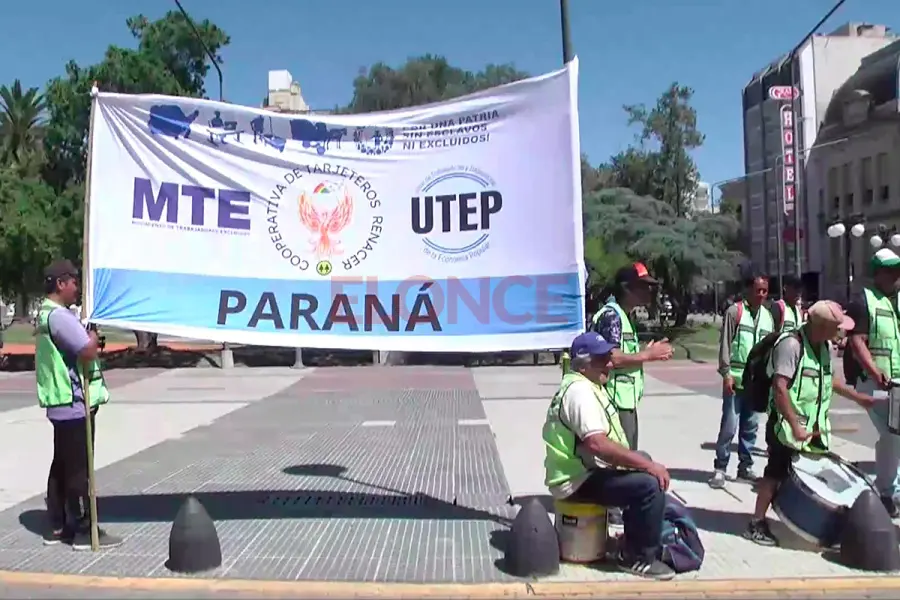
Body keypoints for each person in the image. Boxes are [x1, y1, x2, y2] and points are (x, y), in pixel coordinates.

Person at [543, 331, 675, 580]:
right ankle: (638, 558)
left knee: (643, 462)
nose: (610, 363)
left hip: (583, 471)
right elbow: (598, 445)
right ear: (584, 364)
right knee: (649, 485)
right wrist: (648, 466)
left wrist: (642, 462)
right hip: (576, 481)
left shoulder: (586, 385)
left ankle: (631, 539)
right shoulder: (579, 393)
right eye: (602, 359)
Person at [745, 300, 876, 545]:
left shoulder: (822, 345)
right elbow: (780, 388)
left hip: (813, 428)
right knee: (774, 472)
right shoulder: (791, 346)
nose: (841, 332)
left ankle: (798, 515)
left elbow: (830, 380)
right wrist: (795, 425)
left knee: (806, 473)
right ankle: (756, 523)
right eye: (837, 327)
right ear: (823, 326)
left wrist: (858, 398)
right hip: (785, 426)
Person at [37, 259, 122, 550]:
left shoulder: (48, 314)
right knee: (78, 468)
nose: (77, 287)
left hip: (61, 403)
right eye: (74, 281)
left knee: (62, 464)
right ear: (61, 283)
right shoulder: (59, 317)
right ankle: (83, 530)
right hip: (73, 404)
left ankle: (58, 525)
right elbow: (86, 351)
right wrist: (93, 336)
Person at [590, 263, 674, 450]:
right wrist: (648, 355)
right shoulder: (612, 316)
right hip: (614, 402)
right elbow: (611, 359)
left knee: (629, 458)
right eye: (642, 286)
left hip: (626, 402)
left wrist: (646, 351)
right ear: (626, 288)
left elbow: (622, 352)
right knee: (621, 462)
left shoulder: (625, 316)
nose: (648, 291)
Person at [844, 248, 900, 517]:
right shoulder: (863, 301)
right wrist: (875, 370)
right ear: (878, 273)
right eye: (891, 271)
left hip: (895, 384)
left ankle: (890, 490)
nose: (896, 276)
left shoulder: (893, 302)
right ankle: (886, 493)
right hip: (876, 383)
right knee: (892, 435)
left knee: (895, 436)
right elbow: (857, 342)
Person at [710, 273, 774, 488]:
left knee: (751, 426)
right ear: (749, 290)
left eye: (765, 291)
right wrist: (726, 373)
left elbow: (769, 350)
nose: (762, 294)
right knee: (730, 425)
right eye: (758, 290)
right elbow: (725, 345)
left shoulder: (767, 317)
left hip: (757, 383)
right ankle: (720, 467)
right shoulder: (735, 312)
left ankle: (745, 467)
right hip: (735, 381)